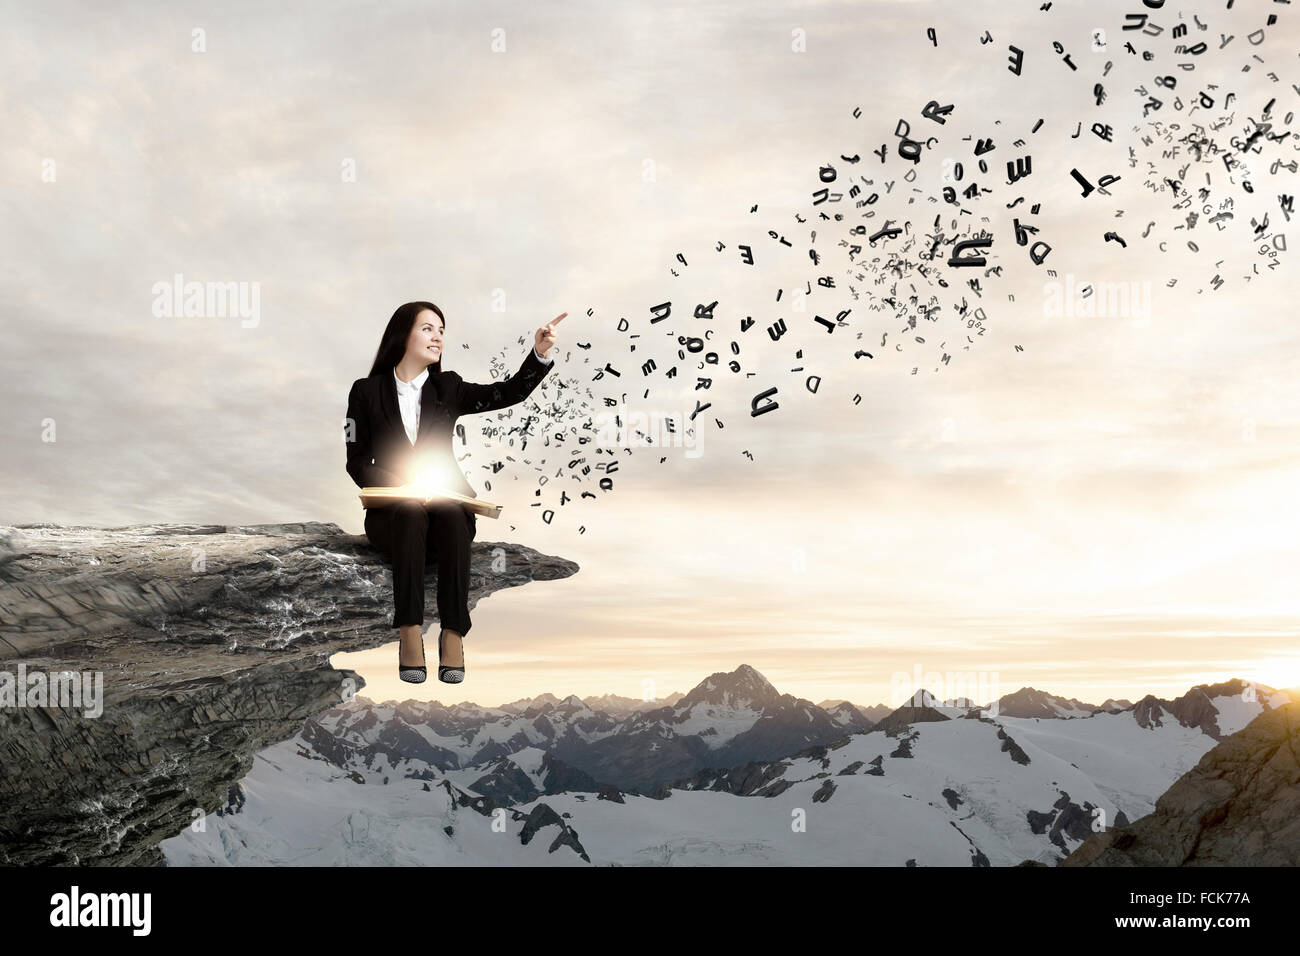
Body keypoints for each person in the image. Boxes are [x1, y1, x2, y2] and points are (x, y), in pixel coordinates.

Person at [345, 301, 565, 683]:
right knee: (412, 511)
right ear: (403, 334)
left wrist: (538, 354)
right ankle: (409, 631)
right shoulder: (365, 392)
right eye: (428, 328)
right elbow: (356, 460)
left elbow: (507, 393)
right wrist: (402, 487)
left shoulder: (449, 387)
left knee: (449, 512)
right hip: (394, 517)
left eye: (442, 331)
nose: (438, 337)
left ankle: (452, 633)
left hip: (446, 512)